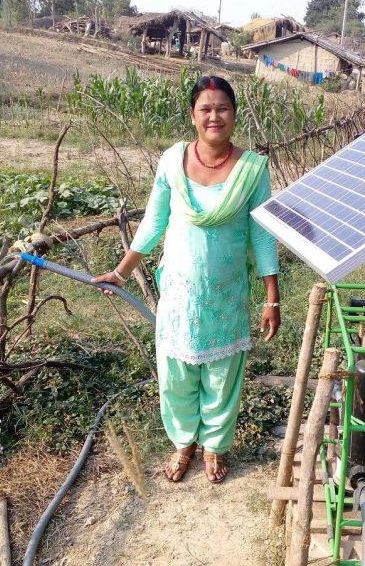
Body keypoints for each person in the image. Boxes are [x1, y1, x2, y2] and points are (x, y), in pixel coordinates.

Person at [92, 76, 280, 484]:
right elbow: (154, 220)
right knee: (176, 373)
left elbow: (264, 234)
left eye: (223, 108)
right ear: (193, 115)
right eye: (206, 109)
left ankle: (214, 448)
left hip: (226, 294)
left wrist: (272, 298)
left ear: (234, 113)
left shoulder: (251, 169)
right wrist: (122, 271)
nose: (215, 116)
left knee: (222, 373)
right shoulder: (172, 162)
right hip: (179, 292)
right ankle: (183, 445)